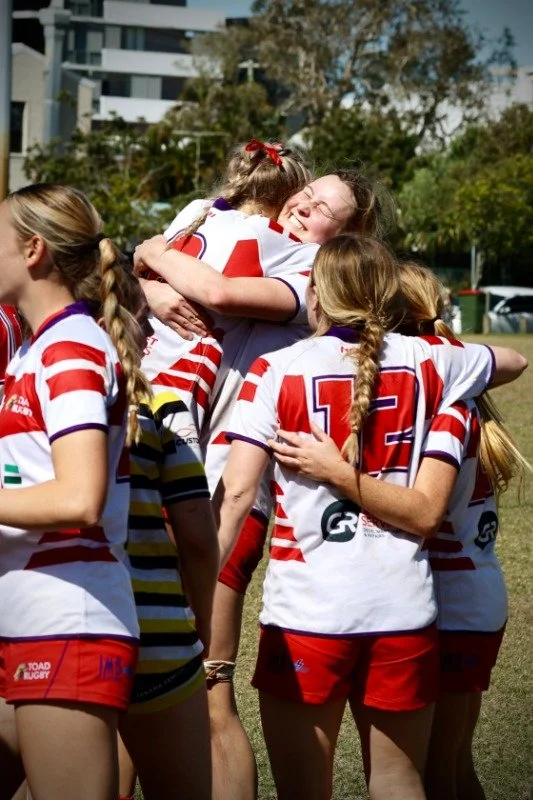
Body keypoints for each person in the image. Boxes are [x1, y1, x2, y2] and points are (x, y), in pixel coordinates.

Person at [213, 234, 527, 800]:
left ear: (314, 294)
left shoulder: (275, 367)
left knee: (304, 789)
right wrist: (455, 356)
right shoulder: (435, 361)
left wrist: (199, 580)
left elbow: (236, 494)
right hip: (405, 609)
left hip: (308, 611)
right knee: (400, 781)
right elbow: (514, 360)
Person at [135, 149, 390, 799]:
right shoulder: (255, 235)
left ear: (350, 235)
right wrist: (152, 278)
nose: (301, 205)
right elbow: (152, 270)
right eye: (304, 196)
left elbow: (215, 291)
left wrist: (155, 254)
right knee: (147, 686)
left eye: (320, 205)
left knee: (208, 691)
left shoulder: (310, 274)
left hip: (227, 499)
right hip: (182, 480)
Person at [0, 183, 148, 800]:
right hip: (31, 617)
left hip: (67, 621)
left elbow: (79, 497)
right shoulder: (39, 347)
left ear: (33, 251)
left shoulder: (69, 347)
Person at [113, 272, 219, 800]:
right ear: (145, 333)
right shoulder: (164, 408)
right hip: (157, 636)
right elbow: (198, 537)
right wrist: (198, 621)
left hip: (55, 629)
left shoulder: (27, 390)